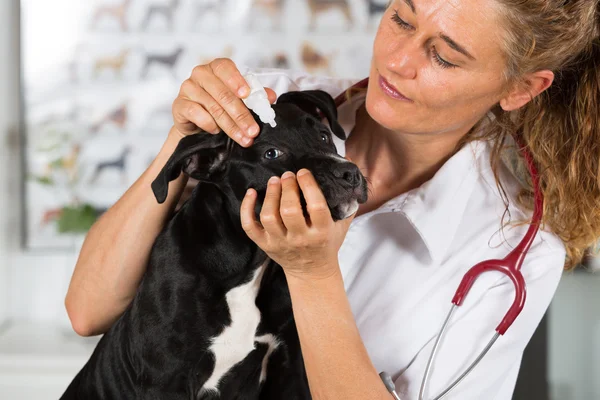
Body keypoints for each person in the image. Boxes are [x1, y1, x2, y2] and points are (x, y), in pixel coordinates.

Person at [65, 0, 600, 398]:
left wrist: (312, 273)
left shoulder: (518, 251)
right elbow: (88, 310)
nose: (397, 61)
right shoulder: (267, 109)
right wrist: (179, 143)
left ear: (521, 88)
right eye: (402, 20)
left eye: (442, 56)